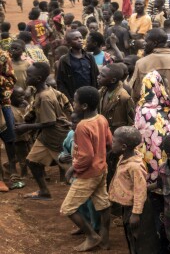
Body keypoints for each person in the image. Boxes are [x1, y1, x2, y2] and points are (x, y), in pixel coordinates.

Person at [60, 87, 112, 252]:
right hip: (101, 169)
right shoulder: (102, 119)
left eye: (75, 101)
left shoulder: (82, 126)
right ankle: (104, 238)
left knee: (67, 208)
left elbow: (86, 156)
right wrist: (101, 159)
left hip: (87, 173)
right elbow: (109, 143)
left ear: (83, 106)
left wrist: (71, 169)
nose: (73, 104)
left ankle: (92, 236)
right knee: (103, 204)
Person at [18, 62, 72, 200]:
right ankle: (44, 191)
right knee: (32, 160)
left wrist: (26, 127)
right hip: (46, 136)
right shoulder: (44, 91)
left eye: (29, 75)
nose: (26, 77)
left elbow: (50, 122)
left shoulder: (45, 97)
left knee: (71, 170)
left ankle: (84, 199)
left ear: (38, 78)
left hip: (56, 136)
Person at [109, 126, 159, 254]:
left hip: (137, 208)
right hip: (128, 207)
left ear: (124, 147)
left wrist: (136, 214)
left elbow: (140, 190)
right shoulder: (124, 157)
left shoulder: (134, 167)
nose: (111, 143)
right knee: (131, 237)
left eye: (114, 141)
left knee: (140, 239)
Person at [131, 28, 170, 119]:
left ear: (154, 43)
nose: (144, 45)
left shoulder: (142, 63)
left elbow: (135, 92)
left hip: (150, 118)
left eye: (146, 42)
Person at [56, 30, 99, 101]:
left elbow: (96, 76)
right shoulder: (64, 60)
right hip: (74, 98)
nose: (80, 40)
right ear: (69, 42)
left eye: (81, 38)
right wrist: (69, 100)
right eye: (76, 39)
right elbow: (60, 82)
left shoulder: (89, 57)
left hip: (91, 95)